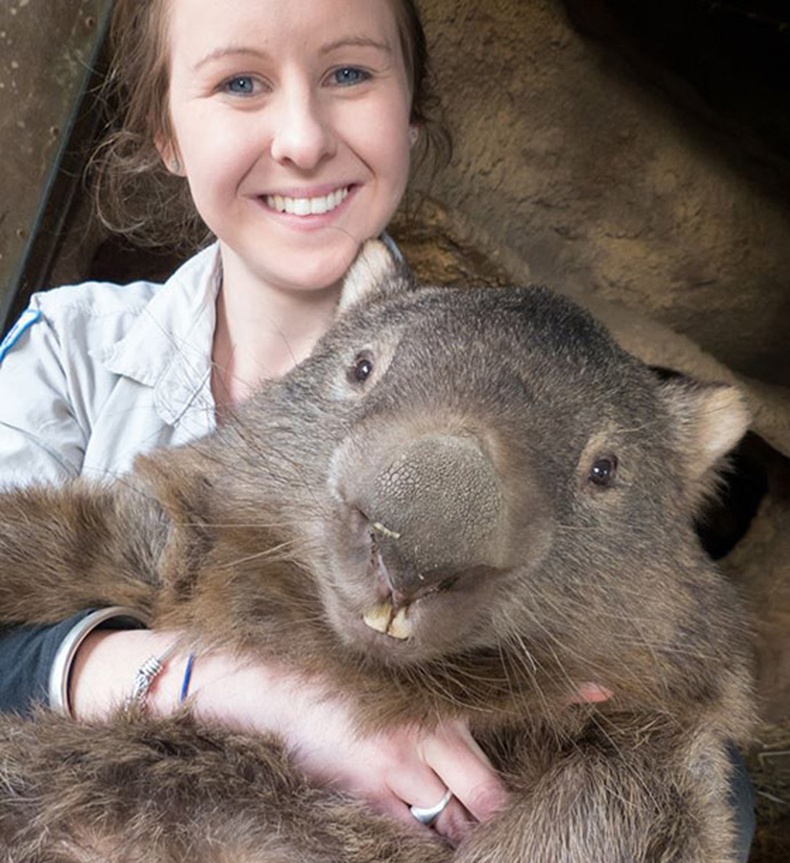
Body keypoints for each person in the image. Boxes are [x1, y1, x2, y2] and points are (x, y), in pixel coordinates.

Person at [0, 0, 753, 857]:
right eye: (239, 82)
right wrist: (216, 684)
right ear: (165, 130)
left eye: (349, 73)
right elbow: (97, 541)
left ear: (412, 106)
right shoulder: (69, 351)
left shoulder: (549, 385)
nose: (302, 138)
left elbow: (683, 727)